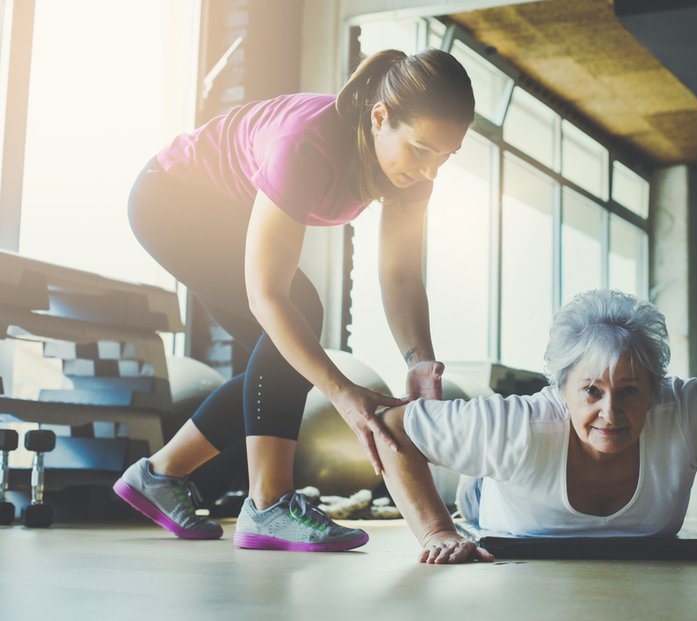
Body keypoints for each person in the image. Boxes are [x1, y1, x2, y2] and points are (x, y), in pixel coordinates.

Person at [113, 48, 475, 552]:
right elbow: (266, 294)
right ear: (380, 118)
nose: (431, 170)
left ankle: (160, 473)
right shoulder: (307, 145)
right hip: (172, 200)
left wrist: (420, 362)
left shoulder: (413, 173)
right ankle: (267, 505)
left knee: (278, 367)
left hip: (227, 213)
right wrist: (343, 393)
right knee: (299, 315)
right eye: (421, 149)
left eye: (445, 155)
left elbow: (399, 276)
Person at [371, 289, 697, 566]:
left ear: (655, 389)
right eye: (591, 391)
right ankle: (473, 480)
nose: (611, 412)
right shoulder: (517, 424)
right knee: (473, 489)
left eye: (629, 391)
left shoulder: (685, 410)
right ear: (562, 389)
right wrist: (436, 531)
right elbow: (391, 425)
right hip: (489, 497)